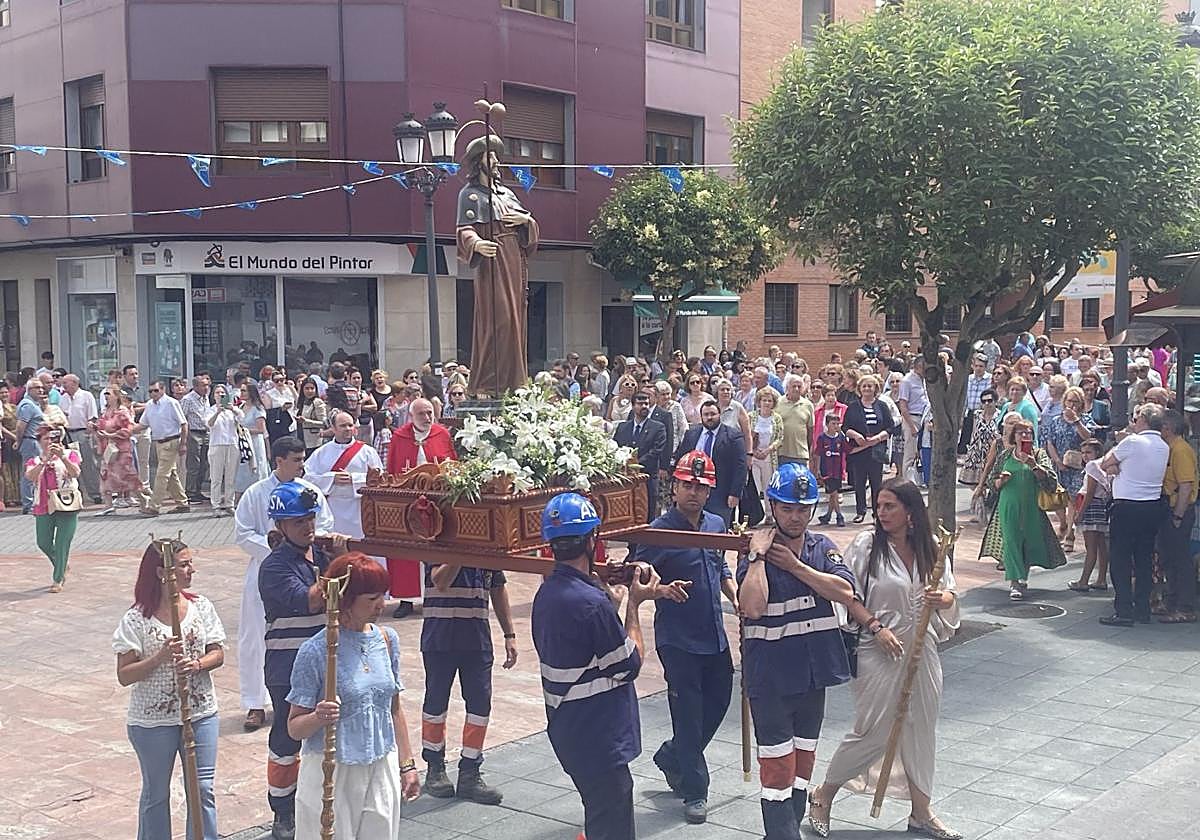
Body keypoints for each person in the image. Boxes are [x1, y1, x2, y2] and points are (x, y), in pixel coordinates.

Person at [807, 480, 961, 840]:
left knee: (921, 730)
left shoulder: (932, 547)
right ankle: (823, 795)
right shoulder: (866, 545)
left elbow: (950, 592)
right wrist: (876, 628)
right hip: (878, 649)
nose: (882, 512)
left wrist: (945, 600)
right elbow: (847, 595)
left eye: (890, 506)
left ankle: (921, 811)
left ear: (910, 511)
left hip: (923, 650)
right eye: (879, 505)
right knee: (872, 731)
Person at [737, 463, 858, 840]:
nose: (796, 516)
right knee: (777, 767)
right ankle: (782, 834)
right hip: (771, 679)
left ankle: (788, 827)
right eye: (788, 508)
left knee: (803, 760)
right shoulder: (753, 551)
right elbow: (752, 607)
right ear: (772, 506)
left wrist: (796, 565)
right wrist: (758, 557)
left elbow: (845, 592)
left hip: (812, 674)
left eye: (803, 508)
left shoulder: (821, 547)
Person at [532, 492, 662, 840]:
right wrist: (634, 604)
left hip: (570, 730)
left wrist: (610, 608)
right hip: (598, 736)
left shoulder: (547, 594)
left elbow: (586, 652)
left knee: (600, 817)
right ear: (593, 539)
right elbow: (629, 664)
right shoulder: (592, 604)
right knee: (612, 824)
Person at [634, 451, 737, 824]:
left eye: (700, 486)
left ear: (708, 490)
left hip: (714, 634)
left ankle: (674, 754)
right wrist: (660, 590)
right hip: (677, 639)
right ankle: (695, 790)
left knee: (720, 700)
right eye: (687, 485)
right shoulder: (659, 530)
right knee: (689, 715)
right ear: (674, 487)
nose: (693, 492)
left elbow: (720, 564)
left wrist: (733, 593)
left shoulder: (716, 523)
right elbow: (638, 579)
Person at [286, 553, 420, 839]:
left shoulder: (386, 640)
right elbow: (294, 728)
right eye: (371, 599)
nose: (381, 606)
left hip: (381, 763)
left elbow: (394, 709)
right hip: (334, 768)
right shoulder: (315, 652)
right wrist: (318, 716)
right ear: (345, 600)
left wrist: (407, 765)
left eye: (382, 596)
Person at [114, 539, 225, 840]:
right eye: (184, 565)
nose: (192, 570)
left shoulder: (201, 606)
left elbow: (218, 652)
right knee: (156, 794)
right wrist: (160, 657)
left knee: (202, 789)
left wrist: (199, 664)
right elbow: (124, 675)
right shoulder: (136, 619)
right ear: (163, 573)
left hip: (200, 711)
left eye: (190, 563)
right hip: (153, 719)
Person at [258, 480, 348, 840]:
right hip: (287, 665)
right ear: (281, 526)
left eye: (310, 518)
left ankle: (322, 800)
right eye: (299, 522)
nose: (308, 527)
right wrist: (340, 565)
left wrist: (340, 559)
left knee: (328, 735)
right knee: (287, 737)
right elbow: (311, 600)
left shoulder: (322, 557)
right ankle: (282, 810)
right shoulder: (274, 566)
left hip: (326, 662)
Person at [235, 435, 338, 731]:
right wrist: (278, 551)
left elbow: (325, 524)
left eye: (303, 458)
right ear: (279, 460)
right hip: (268, 570)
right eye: (295, 459)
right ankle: (255, 702)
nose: (301, 465)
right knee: (255, 637)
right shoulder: (255, 493)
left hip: (309, 566)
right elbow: (243, 534)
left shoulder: (310, 491)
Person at [418, 553, 519, 805]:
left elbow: (498, 587)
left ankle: (470, 772)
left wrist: (509, 634)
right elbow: (441, 580)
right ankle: (434, 768)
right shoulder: (439, 541)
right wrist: (463, 552)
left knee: (480, 706)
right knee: (435, 703)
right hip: (440, 636)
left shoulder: (487, 547)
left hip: (477, 638)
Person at [456, 135, 540, 396]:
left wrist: (525, 221)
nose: (495, 161)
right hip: (491, 262)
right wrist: (477, 243)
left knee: (516, 318)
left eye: (495, 156)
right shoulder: (469, 195)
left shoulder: (508, 193)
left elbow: (530, 225)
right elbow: (463, 229)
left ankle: (515, 381)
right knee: (498, 319)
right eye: (489, 156)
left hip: (514, 258)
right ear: (477, 161)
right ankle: (489, 382)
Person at [1098, 403, 1170, 626]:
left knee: (1120, 559)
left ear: (1143, 421)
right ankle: (1142, 609)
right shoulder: (1163, 445)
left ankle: (1123, 610)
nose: (1134, 421)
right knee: (1144, 559)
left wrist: (1120, 445)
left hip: (1127, 506)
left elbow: (1104, 462)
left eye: (1137, 417)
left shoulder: (1132, 442)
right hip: (1150, 507)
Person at [981, 418, 1066, 600]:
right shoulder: (1005, 455)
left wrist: (1033, 465)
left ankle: (1023, 574)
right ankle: (1014, 582)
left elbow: (1051, 481)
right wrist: (1000, 481)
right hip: (1008, 505)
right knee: (1011, 541)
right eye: (1021, 432)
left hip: (1032, 506)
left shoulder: (1039, 454)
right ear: (1015, 436)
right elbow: (991, 480)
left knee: (1028, 540)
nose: (1025, 435)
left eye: (1028, 432)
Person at [384, 398, 455, 615]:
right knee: (406, 549)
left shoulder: (442, 434)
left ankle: (434, 595)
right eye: (422, 414)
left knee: (437, 546)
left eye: (430, 413)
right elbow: (393, 469)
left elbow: (453, 464)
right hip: (408, 500)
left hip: (438, 501)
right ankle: (406, 599)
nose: (427, 418)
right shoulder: (399, 436)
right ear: (411, 416)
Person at [305, 410, 383, 543]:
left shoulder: (367, 452)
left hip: (359, 508)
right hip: (332, 508)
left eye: (350, 425)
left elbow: (380, 479)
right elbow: (307, 479)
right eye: (343, 426)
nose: (347, 429)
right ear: (333, 428)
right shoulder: (321, 453)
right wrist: (331, 478)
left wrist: (355, 479)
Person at [674, 399, 748, 527]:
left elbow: (740, 466)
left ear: (719, 415)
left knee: (718, 529)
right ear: (701, 416)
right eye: (706, 415)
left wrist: (735, 493)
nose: (709, 417)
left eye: (713, 414)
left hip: (720, 493)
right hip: (693, 489)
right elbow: (681, 459)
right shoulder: (691, 433)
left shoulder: (733, 436)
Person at [26, 424, 82, 592]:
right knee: (43, 542)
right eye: (46, 439)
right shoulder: (35, 460)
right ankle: (62, 564)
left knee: (62, 542)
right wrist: (45, 460)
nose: (50, 442)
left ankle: (58, 578)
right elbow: (30, 476)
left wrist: (62, 457)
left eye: (53, 438)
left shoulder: (70, 454)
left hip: (66, 504)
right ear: (40, 442)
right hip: (43, 504)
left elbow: (75, 472)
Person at [1156, 409, 1197, 623]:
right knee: (1169, 557)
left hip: (1177, 510)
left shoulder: (1181, 450)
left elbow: (1185, 485)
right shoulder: (1170, 448)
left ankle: (1185, 606)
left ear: (1168, 428)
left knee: (1180, 559)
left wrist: (1178, 515)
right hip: (1168, 508)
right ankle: (1171, 601)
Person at [1042, 386, 1094, 553]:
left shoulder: (1085, 419)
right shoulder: (1056, 420)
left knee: (1072, 499)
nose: (1072, 404)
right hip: (1058, 463)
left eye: (1075, 401)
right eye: (1069, 401)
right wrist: (1057, 460)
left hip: (1076, 466)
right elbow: (1049, 441)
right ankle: (1063, 522)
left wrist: (1076, 421)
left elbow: (1089, 437)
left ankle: (1070, 532)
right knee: (1057, 498)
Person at [842, 374, 895, 524]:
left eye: (870, 386)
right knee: (859, 482)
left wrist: (878, 438)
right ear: (860, 389)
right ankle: (860, 511)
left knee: (876, 483)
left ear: (875, 389)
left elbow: (890, 427)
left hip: (876, 450)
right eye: (864, 386)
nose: (867, 389)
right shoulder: (853, 406)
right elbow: (845, 427)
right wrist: (855, 435)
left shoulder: (882, 406)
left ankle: (877, 513)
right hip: (859, 450)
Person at [614, 391, 668, 522]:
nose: (644, 406)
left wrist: (634, 464)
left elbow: (656, 451)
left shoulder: (658, 427)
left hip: (647, 478)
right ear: (633, 406)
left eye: (646, 404)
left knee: (647, 513)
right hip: (626, 479)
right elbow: (615, 447)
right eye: (640, 403)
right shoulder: (623, 427)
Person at [138, 380, 190, 516]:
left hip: (171, 441)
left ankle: (154, 506)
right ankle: (182, 502)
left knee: (161, 475)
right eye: (150, 391)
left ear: (163, 390)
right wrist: (125, 430)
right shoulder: (149, 405)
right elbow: (142, 424)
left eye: (156, 390)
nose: (153, 394)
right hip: (158, 443)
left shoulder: (171, 403)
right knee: (170, 474)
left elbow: (184, 424)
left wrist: (183, 443)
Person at [1069, 439, 1110, 593]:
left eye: (1089, 452)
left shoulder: (1093, 466)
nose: (1085, 456)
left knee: (1091, 546)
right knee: (1100, 545)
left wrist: (1081, 512)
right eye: (1083, 452)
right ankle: (1101, 579)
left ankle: (1084, 581)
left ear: (1097, 452)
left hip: (1092, 505)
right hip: (1100, 505)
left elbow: (1090, 492)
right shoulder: (1102, 465)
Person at [57, 373, 101, 503]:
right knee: (71, 463)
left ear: (75, 383)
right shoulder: (63, 398)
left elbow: (93, 416)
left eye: (66, 383)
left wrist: (90, 427)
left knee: (88, 463)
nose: (63, 385)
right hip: (68, 433)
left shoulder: (87, 396)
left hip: (82, 432)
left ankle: (95, 493)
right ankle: (78, 493)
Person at [204, 384, 242, 516]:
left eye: (222, 393)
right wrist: (217, 412)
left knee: (231, 477)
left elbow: (242, 418)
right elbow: (209, 424)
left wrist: (232, 409)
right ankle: (215, 505)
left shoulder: (232, 410)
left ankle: (229, 504)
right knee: (216, 477)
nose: (220, 395)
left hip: (232, 444)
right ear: (213, 396)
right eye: (217, 393)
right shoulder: (210, 409)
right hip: (217, 445)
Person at [750, 388, 784, 523]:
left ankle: (769, 515)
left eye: (769, 401)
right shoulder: (751, 416)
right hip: (754, 456)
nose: (767, 403)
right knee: (755, 486)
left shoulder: (776, 418)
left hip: (769, 456)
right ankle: (754, 515)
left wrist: (768, 450)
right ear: (759, 401)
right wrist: (754, 451)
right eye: (764, 400)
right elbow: (747, 435)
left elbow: (780, 438)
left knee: (768, 487)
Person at [15, 377, 47, 514]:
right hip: (30, 441)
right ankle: (28, 504)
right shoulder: (27, 405)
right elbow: (21, 426)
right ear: (29, 390)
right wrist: (19, 441)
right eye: (37, 388)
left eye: (41, 387)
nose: (41, 390)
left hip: (35, 441)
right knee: (30, 472)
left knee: (36, 472)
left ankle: (33, 501)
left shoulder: (35, 404)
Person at [180, 375, 213, 504]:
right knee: (194, 464)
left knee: (204, 464)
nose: (206, 388)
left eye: (207, 385)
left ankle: (198, 490)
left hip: (206, 432)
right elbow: (182, 418)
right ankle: (191, 491)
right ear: (195, 386)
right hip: (193, 433)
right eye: (203, 385)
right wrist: (184, 437)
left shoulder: (205, 398)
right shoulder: (188, 399)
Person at [958, 388, 1000, 487]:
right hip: (976, 454)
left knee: (990, 483)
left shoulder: (999, 415)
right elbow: (968, 433)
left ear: (995, 401)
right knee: (974, 484)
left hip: (992, 453)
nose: (986, 403)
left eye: (989, 401)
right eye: (984, 401)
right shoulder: (976, 415)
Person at [235, 380, 269, 494]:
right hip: (242, 444)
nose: (242, 393)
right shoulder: (240, 406)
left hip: (254, 444)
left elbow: (261, 430)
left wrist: (244, 430)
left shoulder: (258, 409)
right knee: (241, 471)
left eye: (244, 391)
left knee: (255, 470)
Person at [816, 413, 849, 527]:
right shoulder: (822, 438)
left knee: (833, 494)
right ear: (827, 424)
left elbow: (847, 450)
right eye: (833, 423)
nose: (835, 426)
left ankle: (828, 515)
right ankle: (839, 515)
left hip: (837, 470)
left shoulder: (840, 437)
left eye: (837, 424)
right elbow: (818, 454)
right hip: (827, 471)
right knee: (833, 493)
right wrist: (818, 470)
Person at [777, 375, 816, 468]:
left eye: (799, 386)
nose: (796, 389)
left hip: (801, 454)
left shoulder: (808, 405)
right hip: (781, 452)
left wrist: (809, 449)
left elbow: (810, 430)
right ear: (787, 387)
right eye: (794, 386)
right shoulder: (778, 402)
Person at [0, 380, 21, 509]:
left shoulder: (15, 407)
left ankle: (18, 496)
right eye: (1, 393)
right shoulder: (0, 410)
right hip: (6, 440)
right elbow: (1, 427)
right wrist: (12, 436)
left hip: (17, 439)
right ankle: (9, 497)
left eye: (6, 392)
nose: (4, 395)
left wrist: (18, 436)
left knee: (16, 467)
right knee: (6, 469)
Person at [294, 379, 327, 457]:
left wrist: (306, 421)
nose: (309, 391)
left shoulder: (317, 402)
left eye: (312, 388)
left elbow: (324, 423)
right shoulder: (301, 402)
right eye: (307, 388)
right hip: (300, 436)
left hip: (313, 440)